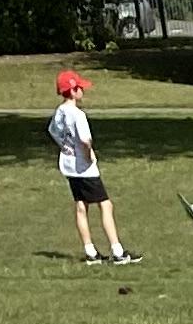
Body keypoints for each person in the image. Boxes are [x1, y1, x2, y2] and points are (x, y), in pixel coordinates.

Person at [47, 70, 131, 265]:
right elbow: (85, 140)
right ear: (73, 91)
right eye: (79, 88)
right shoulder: (78, 115)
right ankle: (117, 251)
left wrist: (65, 147)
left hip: (68, 165)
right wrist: (88, 155)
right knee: (105, 205)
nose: (82, 91)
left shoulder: (60, 111)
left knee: (81, 206)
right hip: (84, 167)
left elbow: (53, 131)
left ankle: (90, 252)